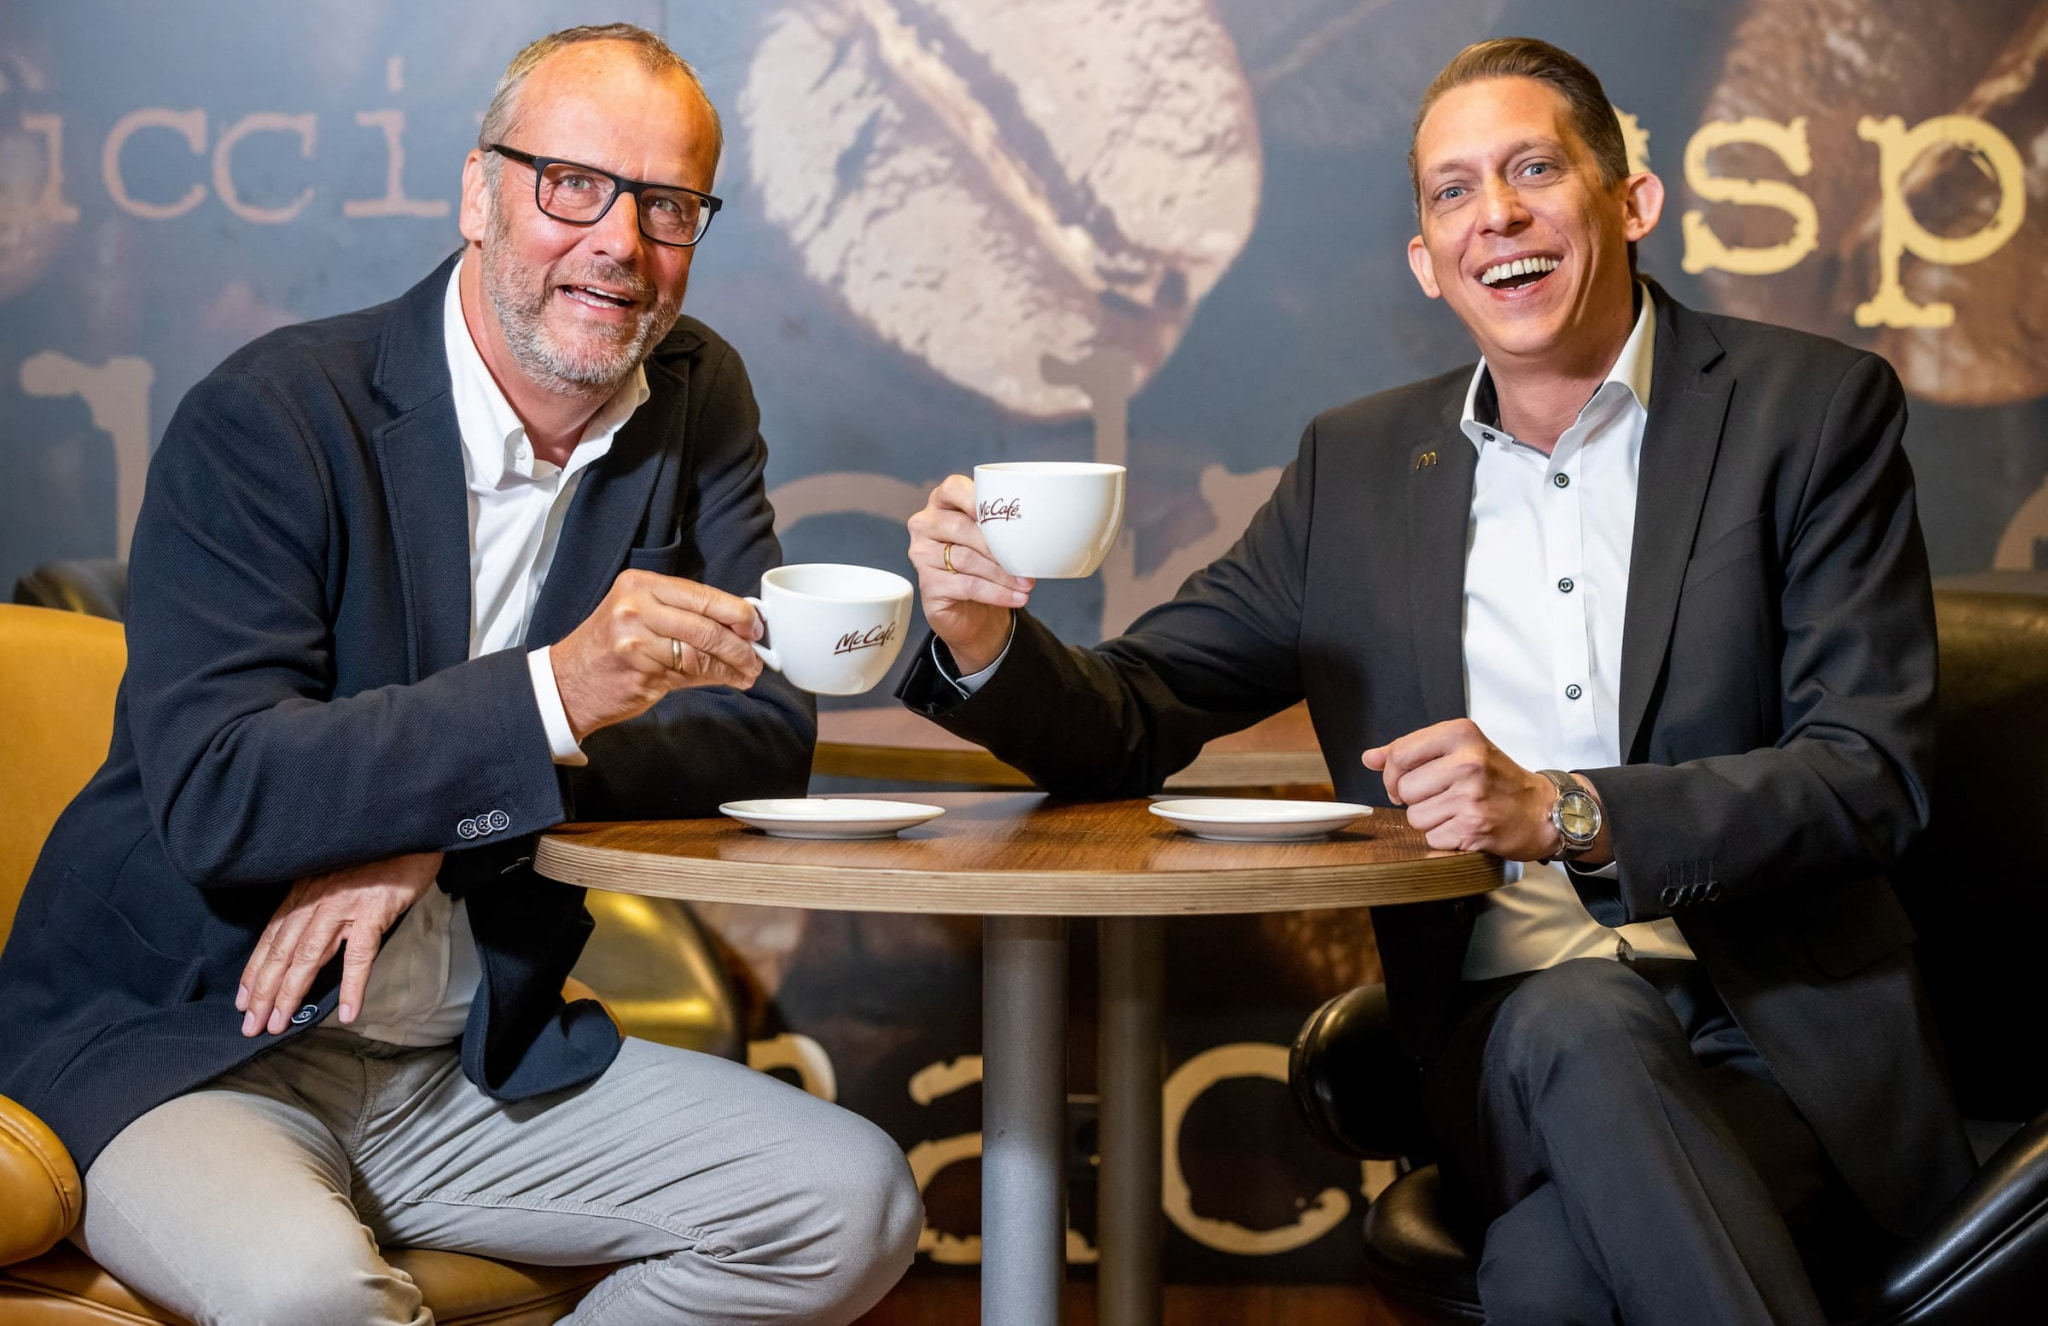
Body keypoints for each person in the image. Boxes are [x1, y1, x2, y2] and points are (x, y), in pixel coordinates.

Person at [898, 36, 1974, 1324]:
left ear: (1631, 203)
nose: (1497, 216)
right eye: (1453, 192)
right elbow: (1130, 722)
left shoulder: (1811, 413)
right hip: (1502, 1040)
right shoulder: (1354, 470)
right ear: (1426, 261)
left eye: (1534, 171)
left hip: (1784, 1042)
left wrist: (1570, 813)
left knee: (1548, 1275)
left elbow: (1871, 776)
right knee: (1574, 1020)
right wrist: (979, 641)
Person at [0, 23, 920, 1326]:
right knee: (309, 1293)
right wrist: (555, 695)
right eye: (572, 184)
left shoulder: (694, 395)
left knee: (853, 1202)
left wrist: (440, 826)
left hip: (468, 1059)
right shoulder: (270, 416)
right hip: (185, 1044)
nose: (620, 241)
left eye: (668, 204)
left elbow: (762, 728)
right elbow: (220, 787)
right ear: (478, 192)